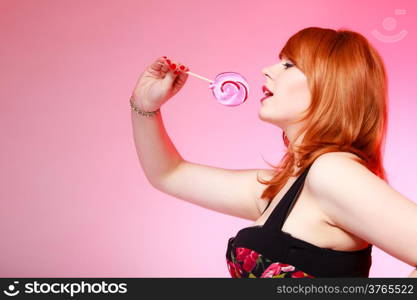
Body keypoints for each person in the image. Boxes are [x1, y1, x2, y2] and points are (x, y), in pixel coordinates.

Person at [130, 27, 417, 278]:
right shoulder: (284, 188)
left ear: (330, 86)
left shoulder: (332, 172)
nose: (267, 70)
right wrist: (144, 105)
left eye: (289, 65)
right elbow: (168, 174)